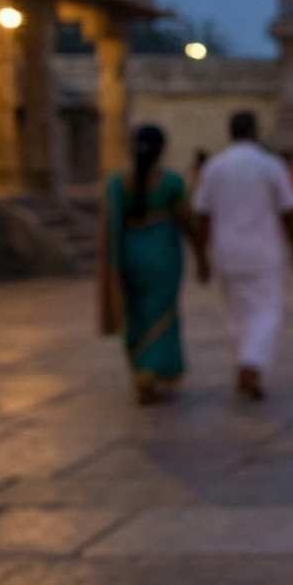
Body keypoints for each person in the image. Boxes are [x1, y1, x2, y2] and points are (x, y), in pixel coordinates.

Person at [191, 111, 293, 400]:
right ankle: (251, 365)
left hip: (226, 251)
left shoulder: (214, 167)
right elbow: (288, 210)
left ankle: (244, 360)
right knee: (266, 311)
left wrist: (201, 256)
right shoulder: (271, 165)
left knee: (236, 313)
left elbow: (202, 215)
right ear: (255, 131)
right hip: (263, 252)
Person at [99, 124, 204, 405]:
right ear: (162, 149)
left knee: (135, 311)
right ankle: (151, 369)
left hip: (129, 255)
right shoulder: (171, 182)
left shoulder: (115, 183)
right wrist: (201, 255)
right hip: (163, 254)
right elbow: (186, 221)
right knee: (162, 312)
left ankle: (140, 370)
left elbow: (111, 227)